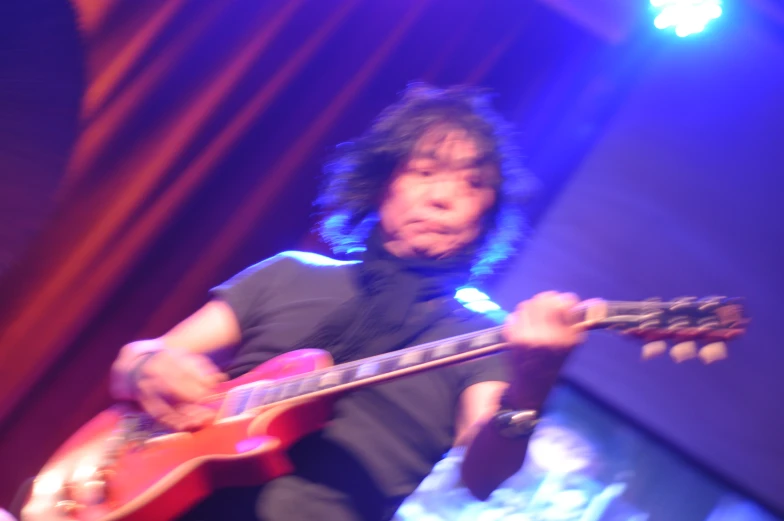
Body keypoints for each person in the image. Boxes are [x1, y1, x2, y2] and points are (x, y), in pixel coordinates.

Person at [109, 83, 588, 521]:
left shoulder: (488, 335)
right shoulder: (289, 272)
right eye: (425, 171)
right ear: (383, 187)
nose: (444, 196)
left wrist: (532, 385)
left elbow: (483, 477)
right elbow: (138, 361)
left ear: (487, 219)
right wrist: (143, 365)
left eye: (471, 184)